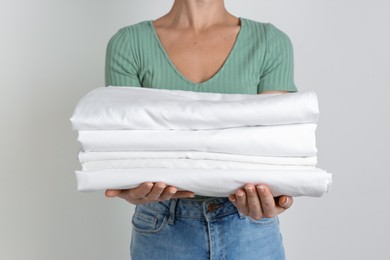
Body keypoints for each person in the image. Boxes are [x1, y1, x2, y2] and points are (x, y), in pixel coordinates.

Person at [104, 0, 296, 259]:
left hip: (248, 227)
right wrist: (128, 186)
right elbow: (125, 149)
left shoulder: (270, 42)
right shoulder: (129, 44)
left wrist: (274, 196)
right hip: (162, 226)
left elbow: (275, 149)